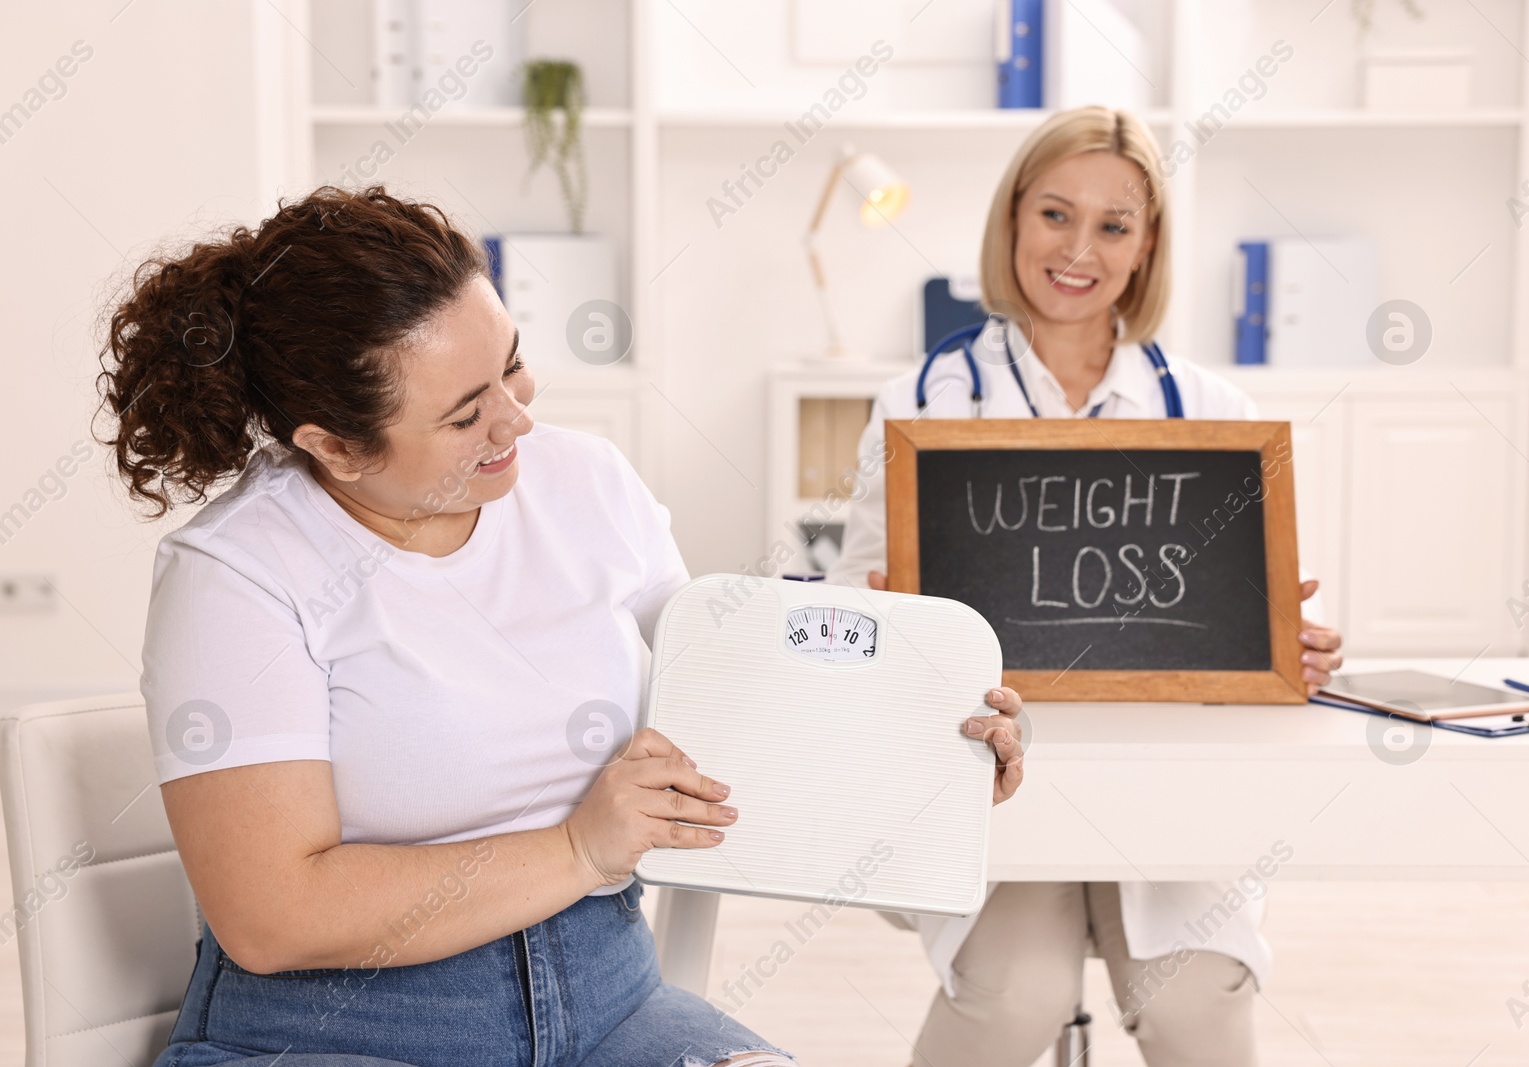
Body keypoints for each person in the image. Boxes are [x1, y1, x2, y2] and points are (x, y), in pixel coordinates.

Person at [99, 185, 1028, 1066]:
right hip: (339, 1028)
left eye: (510, 365)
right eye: (465, 415)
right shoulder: (238, 573)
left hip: (610, 1001)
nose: (516, 420)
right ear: (333, 445)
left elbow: (737, 703)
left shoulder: (585, 482)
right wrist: (577, 848)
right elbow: (274, 915)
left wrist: (917, 744)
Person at [827, 107, 1345, 1067]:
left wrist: (1288, 643)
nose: (1079, 249)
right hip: (990, 788)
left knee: (1196, 1004)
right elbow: (844, 610)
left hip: (1167, 787)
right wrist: (876, 619)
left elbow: (1256, 624)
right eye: (1056, 214)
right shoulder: (919, 405)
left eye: (1115, 225)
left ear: (1148, 247)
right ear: (1013, 217)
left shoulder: (1216, 416)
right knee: (1015, 994)